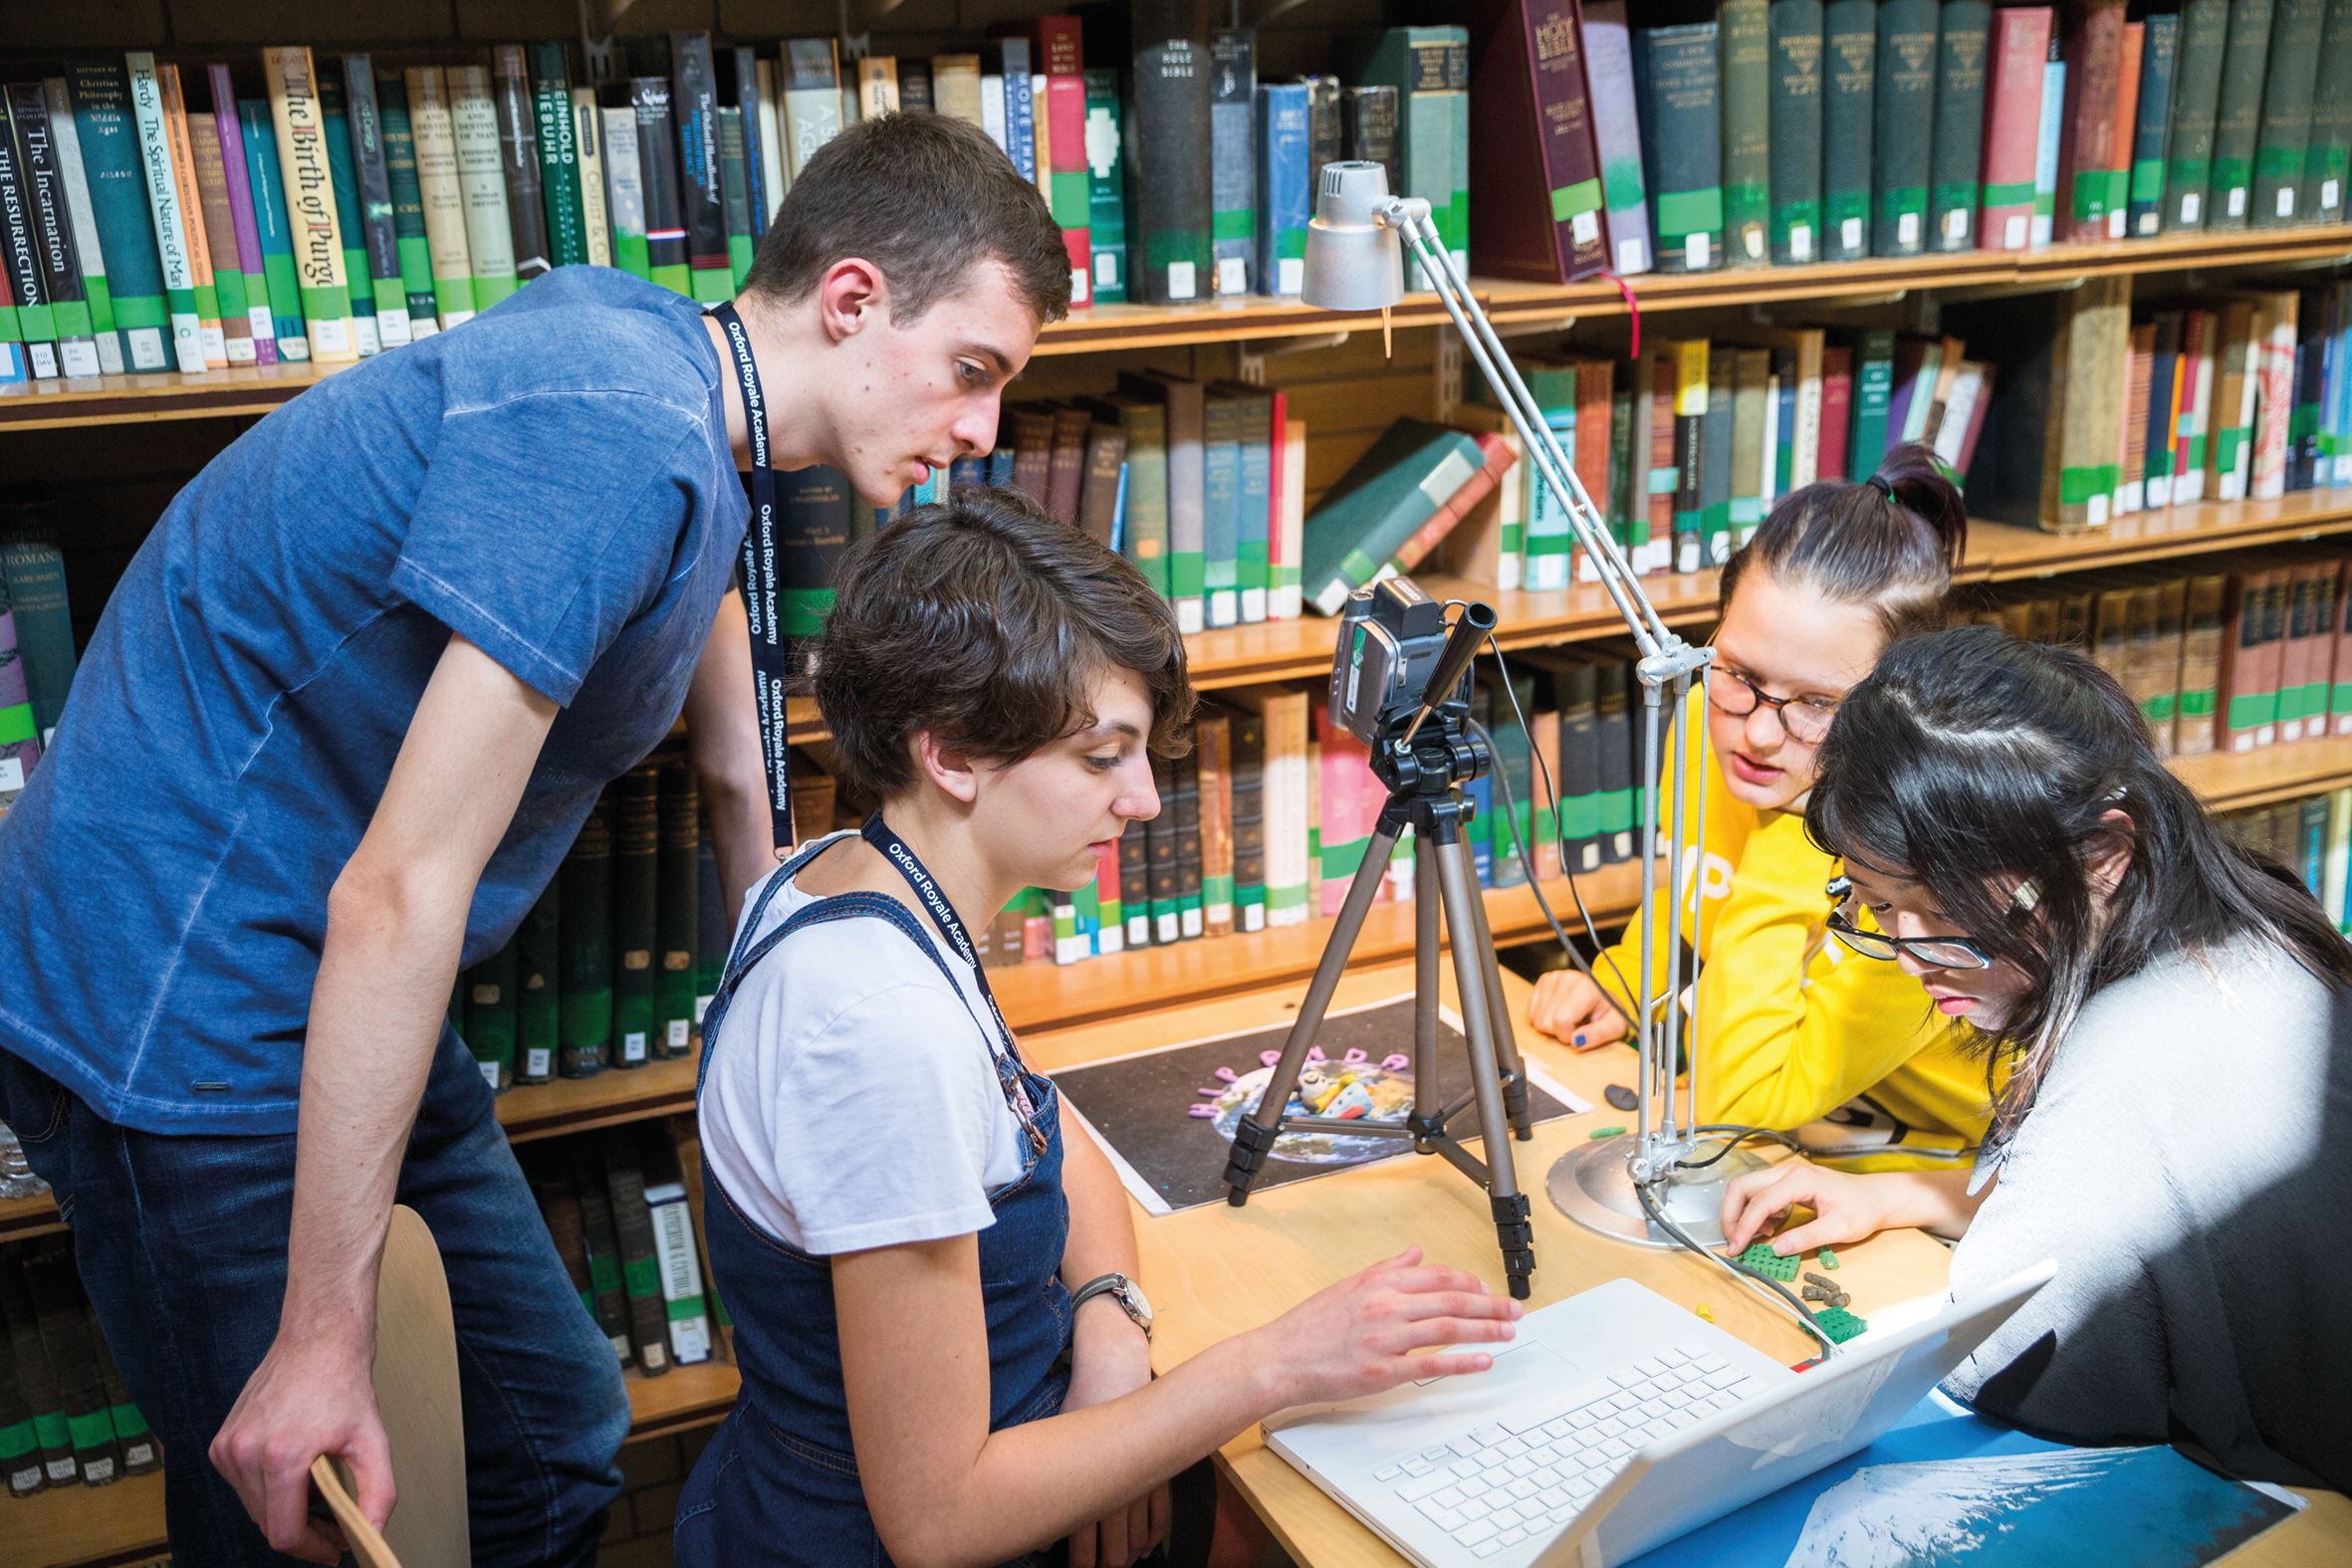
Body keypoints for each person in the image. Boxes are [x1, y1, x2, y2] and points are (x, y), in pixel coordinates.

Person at [0, 112, 1074, 1566]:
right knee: (292, 1511)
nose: (979, 431)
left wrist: (769, 895)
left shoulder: (677, 380)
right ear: (852, 299)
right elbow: (398, 887)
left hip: (314, 974)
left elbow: (703, 620)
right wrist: (323, 1339)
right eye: (972, 371)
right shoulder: (623, 433)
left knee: (550, 1441)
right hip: (179, 996)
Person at [679, 491, 1525, 1568]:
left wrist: (1111, 1325)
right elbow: (936, 1523)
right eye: (1100, 758)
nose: (1144, 802)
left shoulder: (852, 880)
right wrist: (1273, 1364)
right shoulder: (879, 1030)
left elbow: (1047, 1125)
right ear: (950, 754)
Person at [1720, 624, 2352, 1490]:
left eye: (1941, 908)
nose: (1909, 954)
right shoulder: (2240, 918)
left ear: (2103, 855)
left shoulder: (2133, 1064)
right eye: (1875, 904)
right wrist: (1903, 1192)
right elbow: (2143, 1226)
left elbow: (2003, 1368)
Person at [1525, 445, 1994, 1164]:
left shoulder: (1933, 865)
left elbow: (1736, 1105)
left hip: (1954, 1173)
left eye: (1817, 703)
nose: (1758, 732)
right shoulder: (1709, 717)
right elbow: (1700, 896)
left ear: (1898, 704)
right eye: (1739, 671)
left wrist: (1796, 835)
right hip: (1819, 1126)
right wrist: (1629, 981)